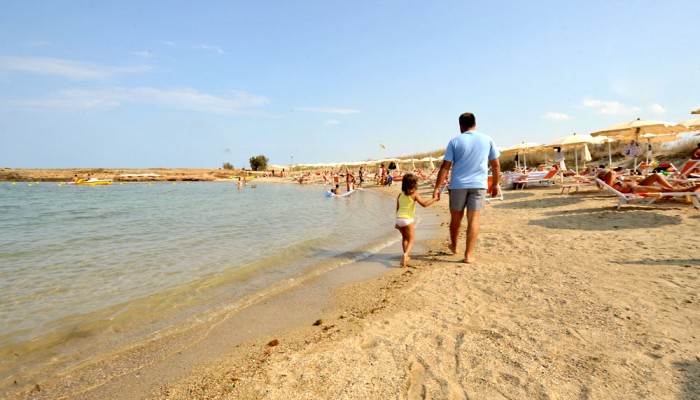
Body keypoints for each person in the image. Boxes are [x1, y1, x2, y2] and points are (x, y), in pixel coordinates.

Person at [433, 112, 501, 264]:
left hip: (458, 185)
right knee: (474, 219)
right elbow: (496, 165)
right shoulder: (487, 139)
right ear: (475, 123)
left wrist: (437, 187)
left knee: (456, 218)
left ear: (460, 126)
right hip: (479, 185)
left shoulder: (454, 141)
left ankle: (454, 246)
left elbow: (445, 166)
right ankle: (468, 256)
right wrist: (495, 184)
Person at [395, 174, 438, 266]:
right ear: (413, 184)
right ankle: (406, 254)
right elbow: (424, 204)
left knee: (404, 238)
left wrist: (397, 222)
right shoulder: (414, 194)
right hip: (408, 219)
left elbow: (398, 209)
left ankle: (405, 256)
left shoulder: (400, 195)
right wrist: (434, 199)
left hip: (399, 218)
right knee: (411, 239)